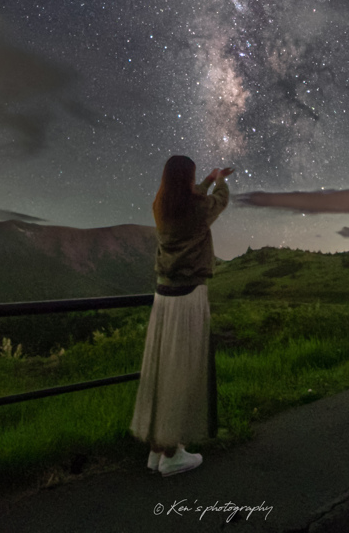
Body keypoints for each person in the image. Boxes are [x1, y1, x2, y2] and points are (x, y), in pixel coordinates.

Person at [130, 154, 233, 477]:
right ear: (187, 178)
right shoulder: (198, 209)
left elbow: (194, 196)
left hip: (163, 295)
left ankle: (158, 449)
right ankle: (173, 454)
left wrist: (206, 179)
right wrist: (220, 180)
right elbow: (219, 201)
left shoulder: (161, 206)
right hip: (189, 295)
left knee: (163, 370)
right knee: (182, 370)